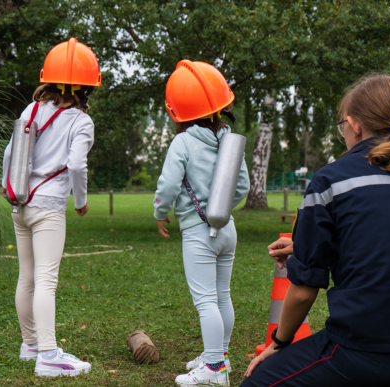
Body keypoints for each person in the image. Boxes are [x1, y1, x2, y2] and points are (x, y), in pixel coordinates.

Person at [241, 74, 390, 387]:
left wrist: (279, 343)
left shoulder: (331, 181)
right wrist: (305, 246)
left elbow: (303, 291)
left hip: (361, 349)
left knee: (257, 382)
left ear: (354, 125)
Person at [1, 38, 100, 377]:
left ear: (50, 79)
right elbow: (76, 165)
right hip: (49, 206)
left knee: (26, 277)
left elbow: (9, 152)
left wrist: (6, 183)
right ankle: (48, 355)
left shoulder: (31, 110)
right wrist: (82, 201)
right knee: (46, 278)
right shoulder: (81, 122)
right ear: (87, 88)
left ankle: (30, 345)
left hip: (20, 203)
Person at [153, 59, 250, 387]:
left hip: (198, 232)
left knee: (206, 300)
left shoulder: (183, 142)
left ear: (177, 110)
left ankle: (212, 369)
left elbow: (167, 185)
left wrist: (160, 212)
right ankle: (220, 357)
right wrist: (221, 207)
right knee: (223, 295)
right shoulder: (228, 138)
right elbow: (243, 187)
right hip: (228, 229)